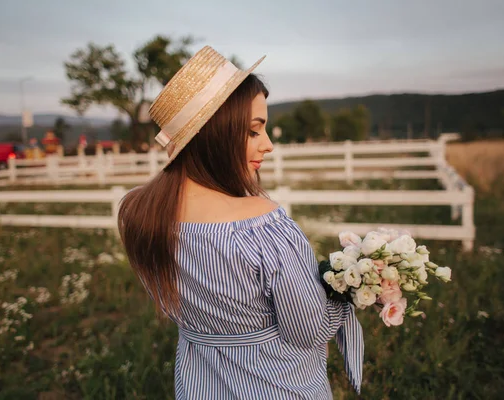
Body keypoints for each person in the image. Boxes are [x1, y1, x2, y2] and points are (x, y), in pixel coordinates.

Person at [118, 46, 364, 400]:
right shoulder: (263, 226)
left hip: (199, 387)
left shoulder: (140, 213)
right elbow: (308, 331)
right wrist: (347, 287)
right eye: (253, 131)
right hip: (279, 388)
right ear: (214, 134)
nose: (268, 145)